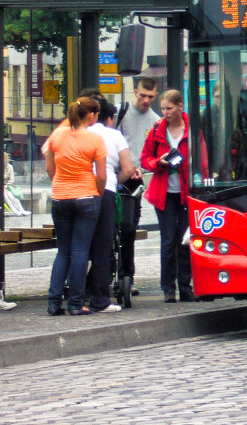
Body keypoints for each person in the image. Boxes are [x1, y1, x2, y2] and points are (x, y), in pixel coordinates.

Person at [141, 89, 206, 303]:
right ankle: (168, 288)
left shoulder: (192, 130)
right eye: (163, 109)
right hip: (164, 192)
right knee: (168, 240)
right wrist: (158, 163)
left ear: (180, 107)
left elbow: (202, 159)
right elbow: (145, 158)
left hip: (187, 192)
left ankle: (185, 286)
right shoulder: (157, 129)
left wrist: (197, 175)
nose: (165, 113)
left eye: (169, 108)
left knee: (185, 241)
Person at [45, 97, 106, 316]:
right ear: (91, 116)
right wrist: (97, 194)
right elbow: (102, 175)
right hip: (86, 197)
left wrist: (58, 182)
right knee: (80, 251)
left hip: (60, 197)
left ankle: (53, 302)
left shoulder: (59, 134)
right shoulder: (94, 139)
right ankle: (75, 303)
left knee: (63, 251)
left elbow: (49, 165)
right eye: (96, 115)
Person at [85, 98, 134, 314]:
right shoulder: (114, 135)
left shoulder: (79, 132)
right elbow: (128, 168)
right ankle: (100, 299)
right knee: (103, 247)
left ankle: (74, 296)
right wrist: (116, 180)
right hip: (106, 191)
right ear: (109, 118)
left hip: (80, 191)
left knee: (78, 247)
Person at [116, 77, 160, 287]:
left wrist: (143, 170)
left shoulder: (155, 120)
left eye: (150, 96)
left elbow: (153, 153)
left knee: (129, 228)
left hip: (136, 179)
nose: (146, 100)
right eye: (142, 95)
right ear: (135, 92)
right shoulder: (120, 112)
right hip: (115, 174)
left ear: (156, 96)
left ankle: (127, 276)